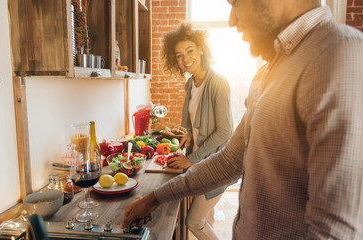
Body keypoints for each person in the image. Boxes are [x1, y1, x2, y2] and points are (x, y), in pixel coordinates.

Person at [122, 0, 363, 239]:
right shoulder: (266, 72)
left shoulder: (339, 51)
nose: (231, 20)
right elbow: (229, 161)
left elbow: (335, 230)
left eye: (235, 2)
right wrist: (155, 198)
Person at [161, 23, 233, 239]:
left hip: (218, 164)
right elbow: (196, 123)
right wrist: (189, 135)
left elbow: (225, 131)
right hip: (202, 161)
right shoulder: (191, 83)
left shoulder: (218, 83)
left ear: (201, 49)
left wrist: (191, 159)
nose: (185, 59)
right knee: (203, 216)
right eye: (179, 55)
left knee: (193, 221)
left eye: (190, 51)